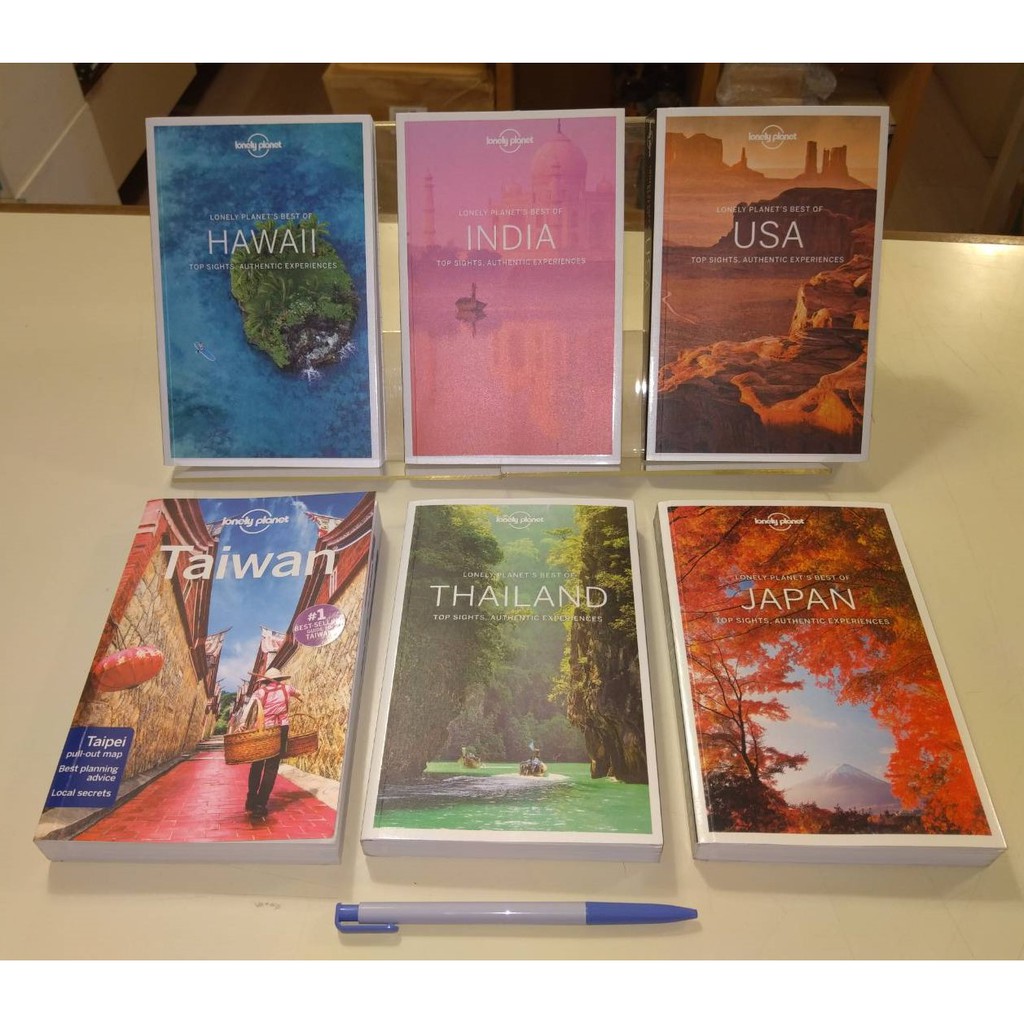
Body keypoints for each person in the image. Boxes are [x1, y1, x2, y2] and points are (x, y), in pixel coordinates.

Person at [245, 667, 302, 820]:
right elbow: (298, 693)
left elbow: (249, 709)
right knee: (271, 767)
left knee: (257, 764)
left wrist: (243, 724)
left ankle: (251, 799)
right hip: (281, 729)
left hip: (263, 729)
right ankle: (260, 805)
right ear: (280, 679)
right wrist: (297, 694)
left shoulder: (260, 692)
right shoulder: (287, 689)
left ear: (265, 680)